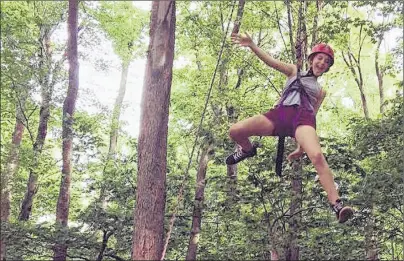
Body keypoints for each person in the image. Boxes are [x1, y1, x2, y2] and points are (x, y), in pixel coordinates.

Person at [226, 32, 354, 223]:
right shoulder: (294, 71)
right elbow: (270, 61)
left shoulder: (321, 91)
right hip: (280, 114)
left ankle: (337, 205)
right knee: (235, 130)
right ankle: (247, 149)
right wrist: (252, 44)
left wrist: (301, 147)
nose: (322, 64)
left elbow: (314, 115)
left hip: (303, 121)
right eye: (320, 59)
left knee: (317, 156)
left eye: (327, 62)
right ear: (312, 59)